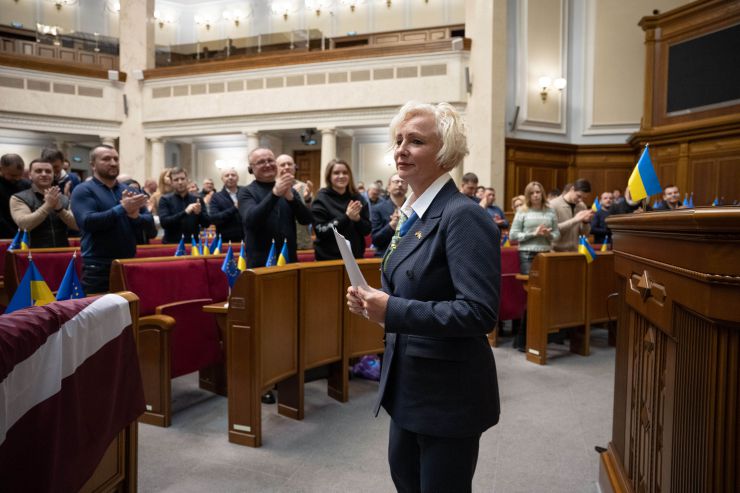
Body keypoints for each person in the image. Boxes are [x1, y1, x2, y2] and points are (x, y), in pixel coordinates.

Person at [346, 101, 500, 492]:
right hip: (408, 387)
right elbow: (416, 287)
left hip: (447, 394)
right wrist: (376, 305)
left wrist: (393, 309)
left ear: (445, 153)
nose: (400, 149)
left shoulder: (462, 215)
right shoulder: (414, 214)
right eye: (398, 140)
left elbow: (479, 312)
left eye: (415, 141)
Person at [71, 145, 153, 293]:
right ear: (93, 165)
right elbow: (88, 222)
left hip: (128, 262)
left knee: (130, 311)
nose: (113, 163)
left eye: (116, 159)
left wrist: (135, 217)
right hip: (98, 266)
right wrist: (122, 209)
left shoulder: (129, 190)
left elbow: (150, 226)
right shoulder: (83, 190)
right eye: (106, 159)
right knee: (99, 313)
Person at [238, 148, 313, 268]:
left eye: (270, 160)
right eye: (261, 162)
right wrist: (275, 194)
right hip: (260, 262)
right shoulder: (245, 192)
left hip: (288, 258)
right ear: (251, 168)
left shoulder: (290, 189)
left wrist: (291, 199)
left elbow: (306, 220)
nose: (267, 164)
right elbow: (251, 221)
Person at [10, 159, 78, 247]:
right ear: (30, 175)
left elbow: (77, 225)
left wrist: (60, 209)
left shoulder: (63, 198)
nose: (44, 174)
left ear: (53, 175)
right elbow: (24, 225)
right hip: (32, 254)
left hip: (62, 252)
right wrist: (48, 205)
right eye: (38, 171)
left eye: (48, 171)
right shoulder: (18, 198)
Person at [312, 159, 371, 260]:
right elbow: (321, 231)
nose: (341, 176)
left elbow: (367, 230)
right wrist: (346, 217)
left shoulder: (358, 198)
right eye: (336, 173)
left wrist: (357, 220)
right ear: (329, 176)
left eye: (345, 173)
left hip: (355, 257)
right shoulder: (321, 198)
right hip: (328, 259)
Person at [158, 168, 210, 244]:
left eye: (182, 179)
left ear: (187, 180)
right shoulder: (165, 199)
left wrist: (199, 213)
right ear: (171, 183)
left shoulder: (197, 199)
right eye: (176, 180)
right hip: (172, 245)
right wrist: (185, 212)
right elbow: (164, 223)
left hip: (193, 245)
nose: (180, 182)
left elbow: (206, 224)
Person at [275, 154, 314, 250]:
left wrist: (307, 199)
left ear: (295, 167)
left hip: (302, 242)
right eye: (283, 165)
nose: (287, 167)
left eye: (289, 164)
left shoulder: (304, 187)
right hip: (279, 242)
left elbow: (312, 216)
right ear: (276, 168)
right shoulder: (272, 188)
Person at [370, 173, 408, 257]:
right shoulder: (377, 209)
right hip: (385, 256)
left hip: (408, 256)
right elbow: (375, 240)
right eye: (396, 181)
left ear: (407, 187)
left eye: (403, 182)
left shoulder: (414, 208)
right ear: (388, 188)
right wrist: (391, 226)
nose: (400, 184)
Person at [550, 180, 593, 252]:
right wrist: (575, 220)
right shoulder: (553, 205)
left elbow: (584, 234)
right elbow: (553, 231)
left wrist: (585, 222)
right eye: (578, 196)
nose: (580, 200)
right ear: (572, 189)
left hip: (575, 251)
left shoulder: (582, 206)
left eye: (583, 198)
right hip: (557, 252)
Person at [208, 167, 244, 243]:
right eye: (227, 175)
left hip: (247, 238)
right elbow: (214, 218)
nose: (230, 177)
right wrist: (234, 208)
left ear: (237, 178)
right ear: (222, 179)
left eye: (233, 175)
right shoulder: (216, 197)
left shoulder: (245, 192)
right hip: (226, 241)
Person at [0, 153, 31, 238]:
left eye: (20, 175)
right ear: (1, 169)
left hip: (25, 232)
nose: (17, 178)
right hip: (4, 235)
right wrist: (15, 235)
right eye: (13, 175)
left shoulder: (26, 184)